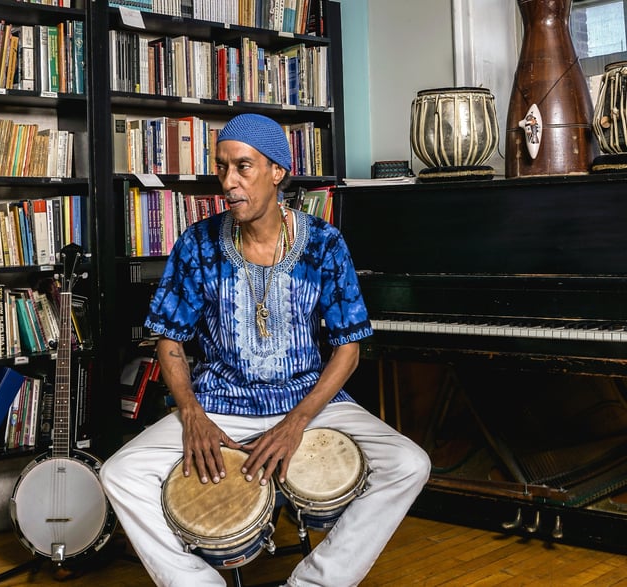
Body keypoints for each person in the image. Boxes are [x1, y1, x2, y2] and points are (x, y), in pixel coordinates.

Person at [100, 113, 430, 586]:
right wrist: (191, 412)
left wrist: (296, 422)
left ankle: (314, 582)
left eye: (243, 167)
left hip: (310, 402)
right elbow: (169, 340)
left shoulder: (324, 243)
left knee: (408, 464)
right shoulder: (197, 244)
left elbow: (349, 348)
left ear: (277, 171)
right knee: (120, 473)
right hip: (220, 404)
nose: (228, 182)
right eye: (221, 167)